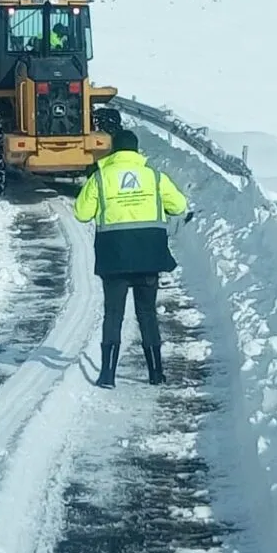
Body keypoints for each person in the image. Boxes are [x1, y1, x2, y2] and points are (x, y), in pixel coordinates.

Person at [73, 128, 191, 387]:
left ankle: (107, 375)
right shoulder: (154, 176)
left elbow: (81, 213)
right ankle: (156, 373)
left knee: (113, 314)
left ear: (114, 150)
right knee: (147, 312)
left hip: (113, 258)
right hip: (149, 257)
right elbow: (179, 206)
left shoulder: (102, 177)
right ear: (136, 151)